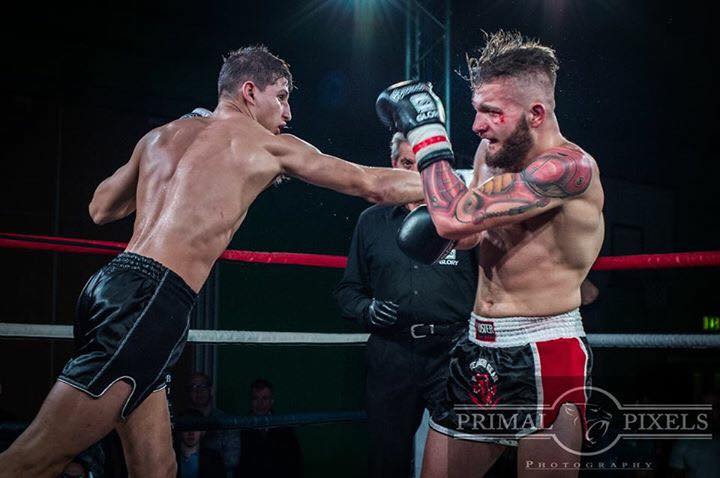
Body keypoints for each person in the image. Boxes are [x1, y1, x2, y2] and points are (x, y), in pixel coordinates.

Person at [0, 45, 424, 477]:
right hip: (150, 304)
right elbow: (368, 182)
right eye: (281, 96)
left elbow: (101, 207)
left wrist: (170, 167)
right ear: (249, 91)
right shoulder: (268, 146)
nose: (288, 112)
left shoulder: (161, 136)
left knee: (157, 468)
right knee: (33, 459)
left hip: (110, 287)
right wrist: (447, 183)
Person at [376, 30, 604, 477]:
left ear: (536, 113)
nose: (477, 126)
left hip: (546, 350)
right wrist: (451, 233)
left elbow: (453, 217)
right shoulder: (490, 151)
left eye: (492, 112)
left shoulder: (568, 168)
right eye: (477, 110)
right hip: (478, 342)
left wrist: (427, 134)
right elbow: (467, 233)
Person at [333, 132, 477, 477]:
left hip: (453, 353)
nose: (415, 172)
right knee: (387, 459)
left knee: (459, 458)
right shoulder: (372, 221)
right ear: (394, 164)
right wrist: (367, 310)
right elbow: (347, 290)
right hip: (392, 353)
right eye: (407, 163)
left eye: (423, 163)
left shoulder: (463, 219)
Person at [237, 379, 302, 477]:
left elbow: (296, 463)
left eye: (265, 398)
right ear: (251, 401)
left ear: (272, 401)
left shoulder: (285, 429)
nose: (260, 403)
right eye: (255, 398)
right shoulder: (240, 429)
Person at [185, 372, 240, 477]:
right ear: (188, 392)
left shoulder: (227, 422)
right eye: (193, 387)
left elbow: (232, 461)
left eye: (203, 386)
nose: (199, 391)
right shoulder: (181, 422)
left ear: (211, 390)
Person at [174, 409, 226, 478]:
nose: (191, 433)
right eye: (187, 427)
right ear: (180, 430)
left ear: (202, 431)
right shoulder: (171, 457)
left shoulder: (214, 458)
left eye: (195, 427)